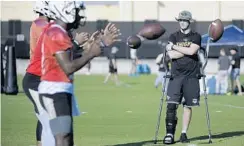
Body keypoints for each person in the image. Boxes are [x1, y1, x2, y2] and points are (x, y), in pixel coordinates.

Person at [38, 1, 121, 145]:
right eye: (76, 11)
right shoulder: (56, 32)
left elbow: (71, 58)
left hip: (61, 89)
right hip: (54, 90)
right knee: (62, 136)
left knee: (67, 136)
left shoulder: (60, 32)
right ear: (66, 11)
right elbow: (68, 67)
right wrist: (91, 54)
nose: (79, 15)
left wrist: (98, 45)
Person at [163, 10, 202, 144]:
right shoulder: (173, 36)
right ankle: (169, 134)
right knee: (171, 105)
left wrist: (174, 47)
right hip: (176, 75)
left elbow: (192, 50)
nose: (182, 22)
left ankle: (184, 133)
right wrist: (188, 51)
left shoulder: (196, 36)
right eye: (180, 20)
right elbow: (172, 55)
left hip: (192, 75)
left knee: (187, 105)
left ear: (189, 21)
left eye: (185, 20)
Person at [22, 2, 54, 146]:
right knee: (47, 114)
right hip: (39, 73)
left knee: (44, 115)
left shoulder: (38, 24)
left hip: (39, 71)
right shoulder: (41, 24)